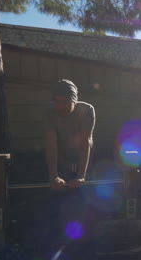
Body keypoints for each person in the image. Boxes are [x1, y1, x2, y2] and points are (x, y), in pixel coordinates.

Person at [37, 79, 96, 255]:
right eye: (57, 101)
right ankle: (56, 241)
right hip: (61, 158)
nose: (60, 106)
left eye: (65, 102)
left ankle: (85, 243)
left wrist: (80, 175)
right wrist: (53, 175)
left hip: (82, 158)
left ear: (74, 100)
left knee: (83, 201)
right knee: (58, 200)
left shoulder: (87, 110)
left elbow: (85, 143)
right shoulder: (49, 112)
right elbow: (51, 143)